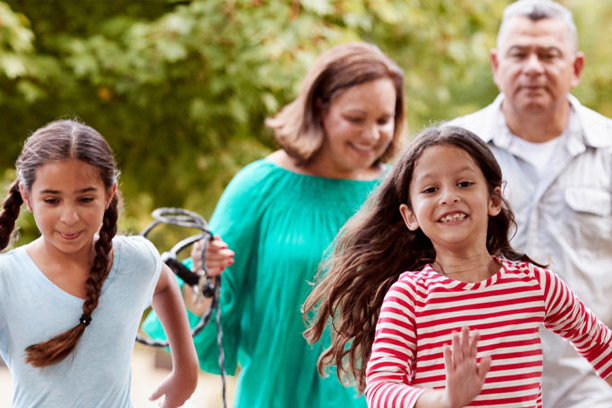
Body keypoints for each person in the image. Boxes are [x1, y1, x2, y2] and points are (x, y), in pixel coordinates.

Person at [142, 41, 407, 408]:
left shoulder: (401, 193)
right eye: (356, 118)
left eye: (383, 120)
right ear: (319, 108)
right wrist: (203, 275)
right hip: (276, 395)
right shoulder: (259, 187)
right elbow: (211, 316)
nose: (372, 134)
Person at [303, 125, 612, 408]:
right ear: (410, 215)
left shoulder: (536, 285)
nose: (449, 197)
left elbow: (601, 345)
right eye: (430, 190)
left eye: (464, 183)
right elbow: (381, 390)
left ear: (493, 200)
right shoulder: (408, 296)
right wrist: (445, 399)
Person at [447, 1, 612, 406]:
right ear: (496, 64)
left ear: (575, 67)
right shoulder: (451, 151)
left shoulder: (609, 150)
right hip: (483, 388)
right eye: (519, 54)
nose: (533, 67)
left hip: (590, 387)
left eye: (549, 55)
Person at [0, 119, 199, 408]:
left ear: (108, 195)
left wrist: (186, 370)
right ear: (27, 198)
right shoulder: (7, 279)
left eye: (85, 199)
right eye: (53, 200)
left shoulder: (134, 261)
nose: (69, 217)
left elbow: (165, 283)